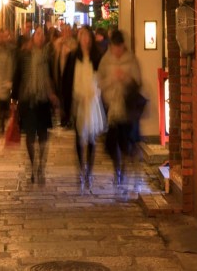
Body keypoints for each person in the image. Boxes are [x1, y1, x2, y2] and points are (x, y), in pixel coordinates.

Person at [11, 25, 58, 184]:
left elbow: (51, 76)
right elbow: (17, 77)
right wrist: (14, 100)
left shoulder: (47, 56)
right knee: (30, 136)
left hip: (43, 100)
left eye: (42, 35)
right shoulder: (24, 55)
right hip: (28, 99)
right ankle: (33, 164)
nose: (40, 37)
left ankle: (41, 166)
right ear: (33, 37)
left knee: (43, 135)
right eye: (37, 34)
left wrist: (53, 94)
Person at [60, 25, 105, 190]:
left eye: (87, 36)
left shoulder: (97, 57)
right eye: (82, 36)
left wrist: (97, 92)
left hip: (93, 101)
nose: (85, 39)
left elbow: (102, 77)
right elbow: (66, 80)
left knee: (92, 136)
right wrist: (65, 102)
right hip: (78, 100)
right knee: (80, 136)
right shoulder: (73, 57)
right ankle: (81, 168)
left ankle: (89, 172)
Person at [97, 28, 142, 186]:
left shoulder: (131, 59)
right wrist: (111, 79)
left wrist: (126, 78)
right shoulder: (106, 60)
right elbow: (100, 81)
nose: (117, 51)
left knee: (123, 141)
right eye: (115, 47)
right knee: (110, 144)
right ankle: (119, 166)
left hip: (127, 108)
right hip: (112, 108)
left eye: (120, 47)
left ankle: (122, 167)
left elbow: (137, 82)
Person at [0, 27, 17, 135]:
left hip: (4, 84)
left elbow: (10, 66)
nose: (1, 39)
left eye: (3, 36)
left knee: (2, 108)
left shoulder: (9, 51)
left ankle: (1, 126)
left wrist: (9, 81)